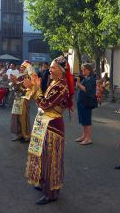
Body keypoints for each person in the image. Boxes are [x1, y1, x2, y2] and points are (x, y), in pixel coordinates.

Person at [24, 56, 73, 205]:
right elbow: (44, 103)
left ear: (61, 70)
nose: (49, 70)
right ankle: (45, 184)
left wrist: (36, 89)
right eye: (50, 67)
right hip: (46, 123)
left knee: (51, 160)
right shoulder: (54, 82)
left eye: (52, 67)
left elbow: (44, 104)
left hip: (53, 127)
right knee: (43, 156)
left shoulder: (61, 86)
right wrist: (34, 88)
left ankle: (51, 192)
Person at [10, 61, 34, 142]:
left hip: (24, 98)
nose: (20, 68)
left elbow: (27, 89)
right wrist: (14, 84)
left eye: (22, 67)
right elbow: (14, 88)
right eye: (20, 67)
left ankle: (26, 135)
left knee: (23, 117)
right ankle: (19, 134)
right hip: (17, 98)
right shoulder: (19, 76)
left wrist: (16, 83)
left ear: (27, 68)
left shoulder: (28, 77)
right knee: (16, 117)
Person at [75, 63, 97, 145]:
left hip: (87, 102)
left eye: (84, 69)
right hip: (81, 101)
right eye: (82, 69)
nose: (82, 71)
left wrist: (79, 83)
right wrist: (78, 83)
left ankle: (89, 138)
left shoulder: (91, 79)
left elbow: (86, 89)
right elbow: (78, 88)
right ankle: (84, 136)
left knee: (87, 120)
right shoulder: (85, 78)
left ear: (89, 70)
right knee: (83, 120)